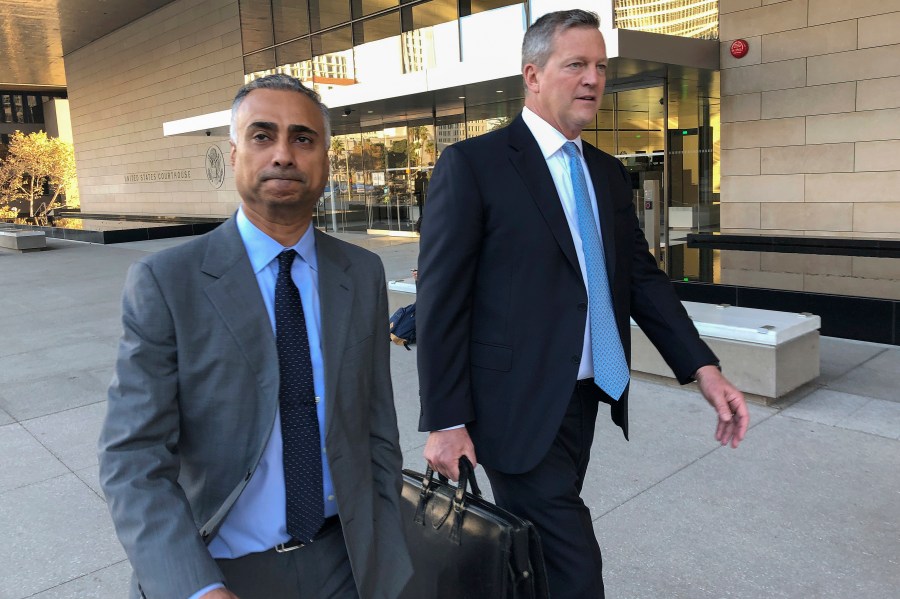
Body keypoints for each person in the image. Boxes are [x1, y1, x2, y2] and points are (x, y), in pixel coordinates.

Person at [415, 10, 749, 599]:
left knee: (539, 551)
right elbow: (441, 300)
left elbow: (643, 281)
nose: (594, 78)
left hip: (587, 397)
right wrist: (445, 421)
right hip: (510, 406)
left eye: (600, 66)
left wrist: (704, 368)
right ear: (533, 75)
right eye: (576, 65)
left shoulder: (607, 174)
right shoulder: (474, 165)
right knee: (575, 566)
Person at [98, 74, 412, 599]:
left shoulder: (361, 273)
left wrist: (387, 547)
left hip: (349, 563)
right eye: (263, 136)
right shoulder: (168, 281)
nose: (284, 154)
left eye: (303, 139)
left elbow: (376, 422)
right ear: (234, 152)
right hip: (224, 570)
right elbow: (133, 458)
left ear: (327, 159)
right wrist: (196, 589)